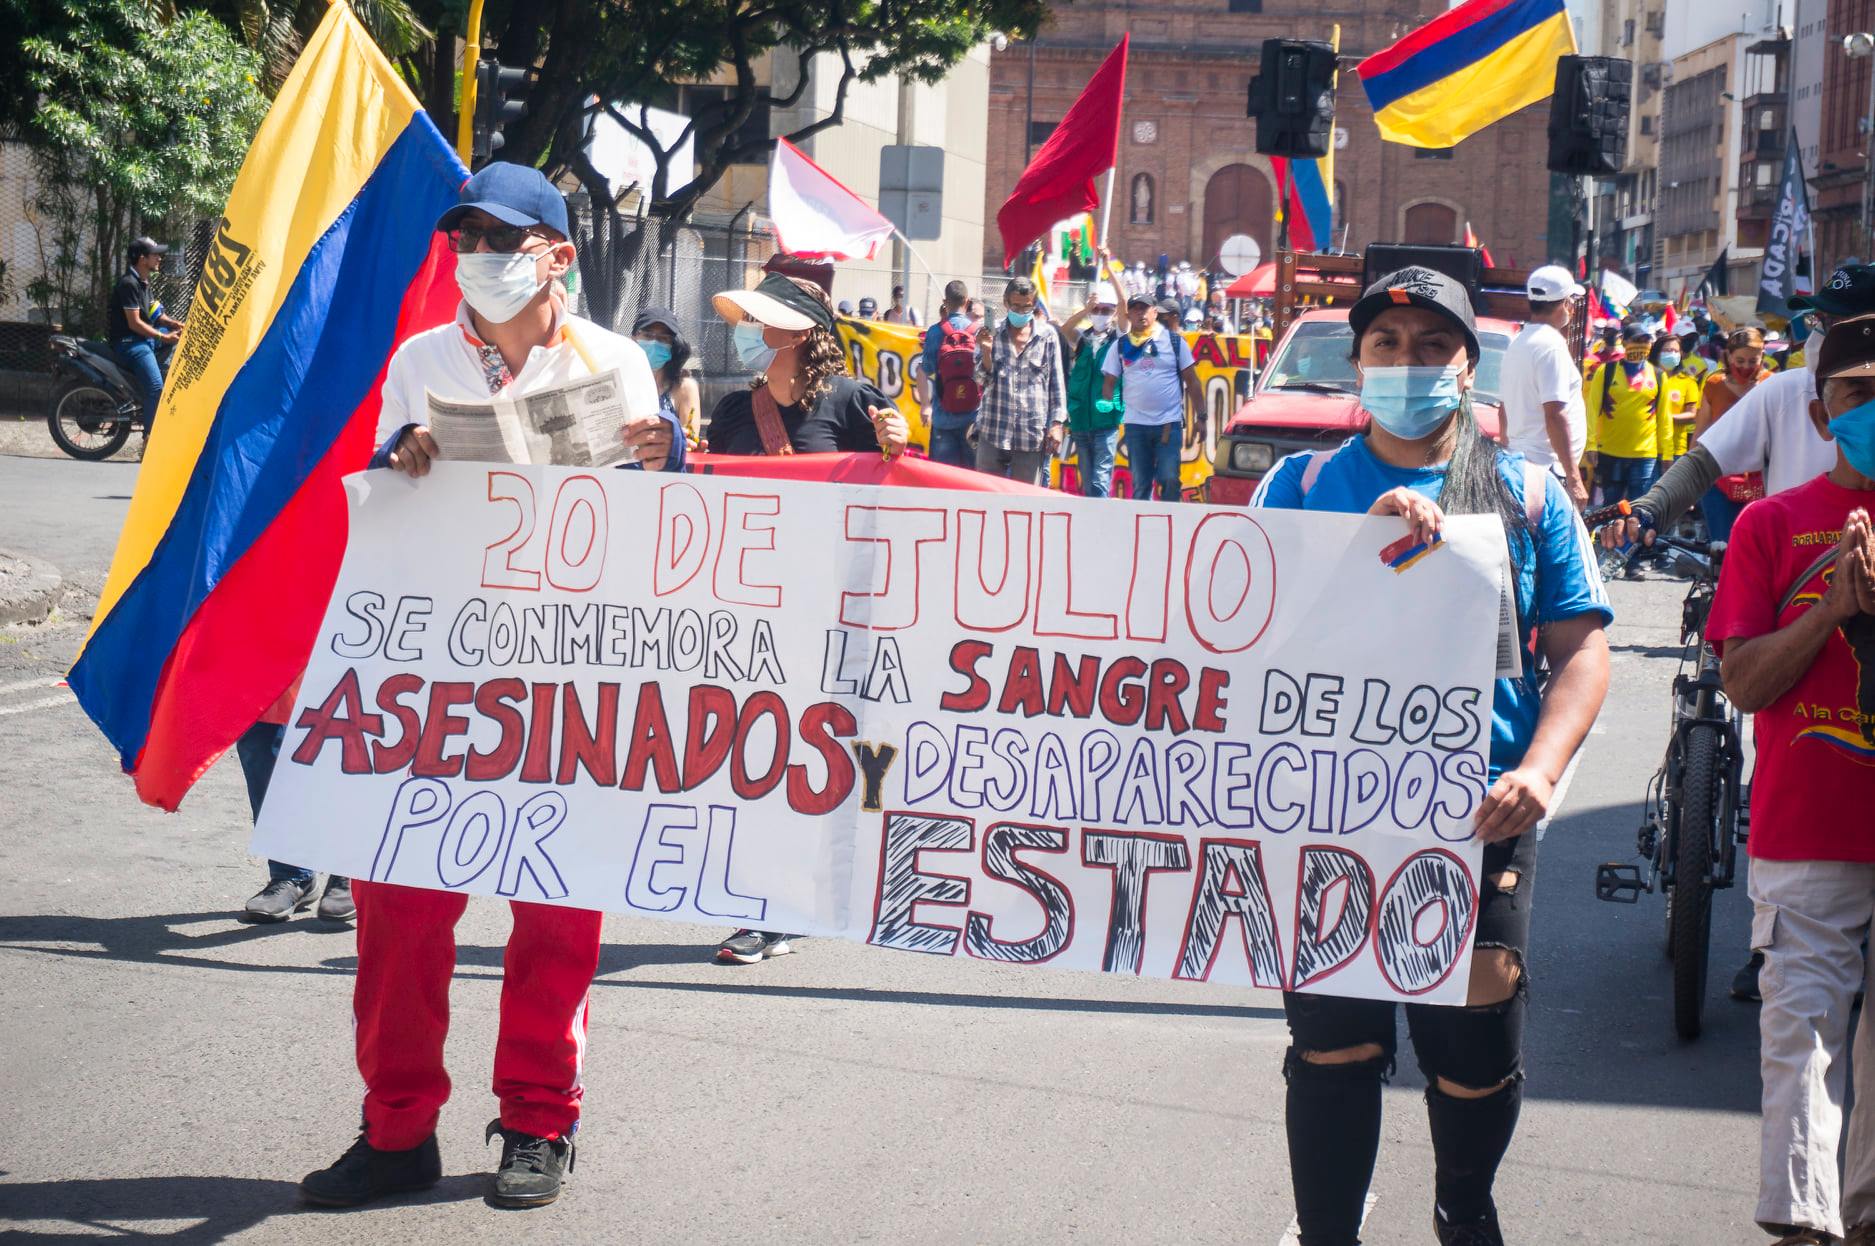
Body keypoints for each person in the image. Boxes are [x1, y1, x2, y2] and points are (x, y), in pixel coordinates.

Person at [297, 163, 679, 1213]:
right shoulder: (421, 361)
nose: (480, 258)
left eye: (502, 240)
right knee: (396, 908)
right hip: (441, 679)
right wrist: (398, 458)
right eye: (465, 238)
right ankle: (396, 1127)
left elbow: (661, 533)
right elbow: (378, 505)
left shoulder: (616, 365)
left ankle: (540, 1121)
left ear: (556, 254)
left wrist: (668, 457)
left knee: (558, 912)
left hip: (568, 682)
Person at [1251, 266, 1612, 1246]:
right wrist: (1350, 553)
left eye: (1430, 348)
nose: (1406, 365)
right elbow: (1243, 638)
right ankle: (1328, 1227)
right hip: (1330, 810)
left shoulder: (1528, 494)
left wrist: (1538, 772)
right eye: (1386, 347)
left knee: (1471, 1043)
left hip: (1480, 810)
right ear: (1358, 365)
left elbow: (1579, 650)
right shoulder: (1301, 486)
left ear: (1469, 365)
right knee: (1334, 1038)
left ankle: (1465, 1203)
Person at [1604, 264, 1875, 1005]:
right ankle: (1777, 933)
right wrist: (1650, 511)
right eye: (1821, 322)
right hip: (1780, 596)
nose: (1825, 336)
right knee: (1775, 738)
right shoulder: (1789, 392)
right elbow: (1705, 460)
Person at [1705, 314, 1875, 1246]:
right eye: (1858, 393)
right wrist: (1833, 609)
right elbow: (1741, 680)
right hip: (1807, 835)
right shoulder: (1769, 524)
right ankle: (1804, 1224)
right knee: (1801, 1041)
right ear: (1821, 410)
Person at [703, 270, 908, 964]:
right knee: (755, 758)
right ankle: (767, 900)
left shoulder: (854, 403)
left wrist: (897, 444)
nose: (746, 335)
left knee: (821, 758)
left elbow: (905, 488)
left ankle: (796, 902)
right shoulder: (733, 412)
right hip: (753, 617)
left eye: (757, 321)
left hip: (834, 618)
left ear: (794, 332)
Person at [1499, 265, 1590, 508]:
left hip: (1521, 464)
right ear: (1565, 303)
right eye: (1571, 300)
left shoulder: (1518, 342)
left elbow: (1503, 409)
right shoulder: (1551, 346)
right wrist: (1574, 480)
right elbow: (1555, 415)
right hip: (1546, 470)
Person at [1101, 293, 1201, 502]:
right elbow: (1109, 382)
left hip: (1168, 424)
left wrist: (1202, 417)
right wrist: (1107, 402)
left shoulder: (1174, 342)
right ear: (1128, 315)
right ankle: (1142, 530)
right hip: (1136, 425)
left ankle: (1170, 525)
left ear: (1154, 313)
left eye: (1144, 308)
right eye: (1135, 309)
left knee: (1170, 478)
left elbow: (1192, 380)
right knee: (1141, 483)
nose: (1140, 313)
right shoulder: (1120, 346)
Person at [972, 275, 1066, 486]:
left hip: (1031, 434)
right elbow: (980, 380)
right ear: (1006, 303)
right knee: (986, 496)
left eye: (1027, 307)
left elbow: (1056, 384)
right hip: (993, 429)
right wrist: (986, 352)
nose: (1022, 312)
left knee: (1026, 501)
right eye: (1016, 306)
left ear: (1034, 305)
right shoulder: (990, 333)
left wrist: (1057, 424)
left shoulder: (1047, 335)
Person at [1687, 327, 1773, 542]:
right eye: (1740, 360)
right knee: (1722, 546)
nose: (1746, 367)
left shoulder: (1772, 384)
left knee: (1755, 545)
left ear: (1762, 356)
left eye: (1752, 361)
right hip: (1717, 478)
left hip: (1761, 479)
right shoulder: (1714, 384)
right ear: (1728, 356)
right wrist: (1689, 479)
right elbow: (1701, 432)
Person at [1586, 322, 1672, 507]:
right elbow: (1592, 409)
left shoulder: (1658, 375)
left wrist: (1667, 453)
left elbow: (1664, 417)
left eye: (1645, 341)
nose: (1641, 345)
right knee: (1610, 508)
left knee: (1637, 509)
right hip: (1610, 452)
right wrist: (1591, 444)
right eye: (1636, 340)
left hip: (1644, 455)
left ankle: (1631, 537)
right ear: (1624, 342)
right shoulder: (1606, 371)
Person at [108, 237, 184, 435]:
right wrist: (163, 336)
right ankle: (148, 439)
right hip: (130, 343)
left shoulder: (143, 282)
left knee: (178, 343)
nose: (159, 258)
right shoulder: (129, 284)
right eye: (155, 254)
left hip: (142, 339)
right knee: (155, 387)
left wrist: (174, 325)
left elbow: (155, 313)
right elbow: (135, 323)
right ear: (143, 259)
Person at [1060, 281, 1125, 497]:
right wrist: (1086, 310)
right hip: (1081, 422)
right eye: (1097, 310)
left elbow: (1124, 303)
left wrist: (1110, 271)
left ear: (1113, 312)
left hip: (1106, 421)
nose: (1100, 314)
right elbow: (1065, 329)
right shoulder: (1082, 339)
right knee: (1088, 483)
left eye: (1105, 310)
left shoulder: (1119, 339)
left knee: (1100, 481)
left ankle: (1102, 522)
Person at [920, 280, 981, 469]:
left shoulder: (936, 331)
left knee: (943, 483)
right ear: (967, 301)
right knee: (974, 483)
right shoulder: (978, 331)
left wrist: (925, 406)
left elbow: (924, 371)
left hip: (943, 418)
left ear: (945, 302)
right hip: (973, 419)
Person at [632, 307, 701, 449]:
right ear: (633, 338)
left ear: (673, 346)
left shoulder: (684, 388)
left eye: (663, 339)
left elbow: (690, 444)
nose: (654, 343)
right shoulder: (620, 383)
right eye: (647, 335)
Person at [1652, 331, 1704, 461]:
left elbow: (1692, 415)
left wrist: (1664, 418)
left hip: (1675, 448)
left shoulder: (1687, 381)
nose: (1672, 354)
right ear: (1657, 352)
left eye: (1676, 351)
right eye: (1667, 350)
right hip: (1647, 447)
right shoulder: (1647, 377)